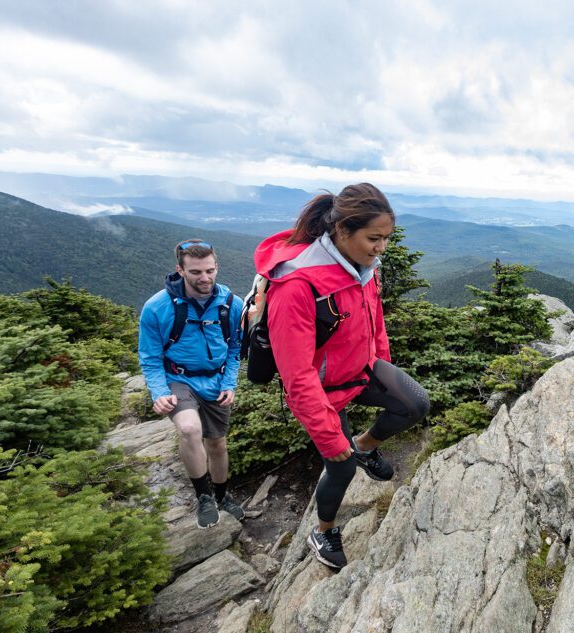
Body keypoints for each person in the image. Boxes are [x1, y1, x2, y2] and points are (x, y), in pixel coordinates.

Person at [253, 183, 430, 569]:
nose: (381, 247)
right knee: (341, 465)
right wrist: (333, 439)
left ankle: (366, 445)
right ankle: (324, 529)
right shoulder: (297, 286)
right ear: (342, 230)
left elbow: (374, 320)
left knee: (414, 403)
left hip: (360, 370)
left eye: (386, 238)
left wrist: (382, 362)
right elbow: (297, 376)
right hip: (322, 390)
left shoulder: (364, 268)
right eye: (373, 238)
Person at [139, 239, 245, 528]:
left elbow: (236, 347)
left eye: (210, 271)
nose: (205, 278)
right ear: (180, 270)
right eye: (196, 272)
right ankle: (204, 497)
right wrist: (159, 392)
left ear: (217, 267)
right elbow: (150, 356)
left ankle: (223, 496)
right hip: (178, 378)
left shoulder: (231, 304)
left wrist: (230, 383)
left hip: (216, 380)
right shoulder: (157, 307)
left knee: (218, 445)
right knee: (189, 428)